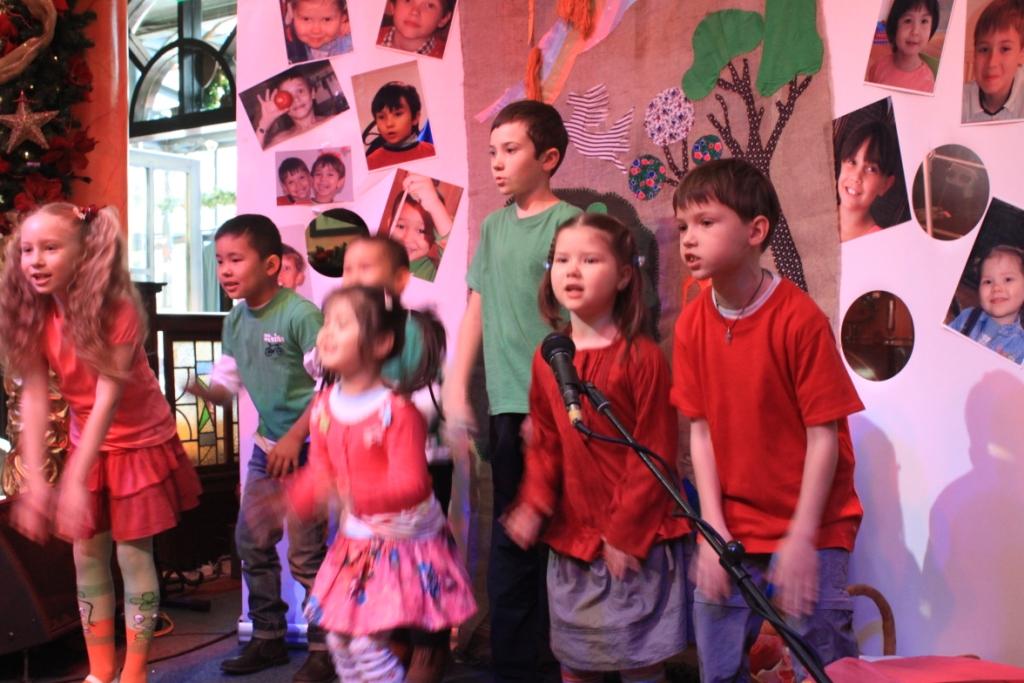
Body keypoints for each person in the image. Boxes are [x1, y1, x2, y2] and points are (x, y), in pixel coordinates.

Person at [671, 159, 864, 681]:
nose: (689, 238)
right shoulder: (691, 325)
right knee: (717, 662)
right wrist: (712, 530)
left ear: (756, 231)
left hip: (812, 523)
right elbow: (700, 432)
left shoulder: (799, 320)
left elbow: (824, 438)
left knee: (825, 664)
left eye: (706, 222)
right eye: (683, 226)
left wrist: (801, 538)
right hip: (734, 525)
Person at [2, 203, 202, 683]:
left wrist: (74, 479)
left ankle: (134, 672)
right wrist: (36, 483)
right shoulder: (36, 311)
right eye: (27, 250)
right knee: (86, 555)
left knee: (133, 555)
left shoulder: (118, 308)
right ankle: (100, 670)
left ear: (84, 252)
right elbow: (34, 396)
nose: (35, 260)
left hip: (138, 443)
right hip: (88, 439)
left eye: (50, 248)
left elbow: (108, 399)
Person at [503, 212, 690, 683]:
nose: (572, 270)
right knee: (577, 664)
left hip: (633, 541)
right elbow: (545, 442)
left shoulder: (642, 357)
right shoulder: (548, 359)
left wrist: (625, 533)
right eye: (562, 259)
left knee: (640, 662)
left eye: (589, 260)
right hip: (576, 540)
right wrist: (533, 502)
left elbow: (654, 453)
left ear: (624, 275)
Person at [443, 99, 581, 683]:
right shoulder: (494, 228)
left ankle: (573, 660)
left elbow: (582, 319)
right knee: (512, 535)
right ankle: (517, 664)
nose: (497, 163)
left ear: (547, 158)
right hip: (506, 407)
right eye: (492, 151)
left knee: (564, 534)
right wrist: (455, 386)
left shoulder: (570, 223)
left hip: (562, 409)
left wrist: (558, 402)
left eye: (510, 150)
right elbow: (476, 308)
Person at [286, 285, 476, 682]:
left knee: (365, 644)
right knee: (339, 638)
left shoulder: (398, 411)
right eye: (326, 323)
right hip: (358, 539)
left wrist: (350, 492)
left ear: (380, 343)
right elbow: (319, 470)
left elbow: (413, 485)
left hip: (403, 543)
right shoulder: (323, 407)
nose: (326, 333)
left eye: (342, 324)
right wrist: (291, 500)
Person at [187, 214, 333, 683]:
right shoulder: (235, 319)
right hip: (268, 447)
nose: (225, 270)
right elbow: (226, 387)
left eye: (236, 259)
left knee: (306, 556)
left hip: (310, 449)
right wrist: (199, 389)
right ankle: (268, 636)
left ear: (271, 265)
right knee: (251, 542)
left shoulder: (300, 315)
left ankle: (325, 647)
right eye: (219, 261)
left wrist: (295, 437)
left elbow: (331, 386)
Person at [948, 244, 1024, 363]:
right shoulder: (967, 317)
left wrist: (1007, 371)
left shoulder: (1020, 347)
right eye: (988, 281)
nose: (996, 288)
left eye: (1008, 279)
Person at [835, 121, 898, 242]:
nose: (856, 177)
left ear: (886, 185)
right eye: (852, 162)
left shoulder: (881, 243)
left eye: (871, 169)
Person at [962, 0, 1024, 123]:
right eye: (984, 49)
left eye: (1005, 49)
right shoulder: (958, 102)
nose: (992, 63)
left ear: (1021, 54)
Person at [386, 173, 453, 281]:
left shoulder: (435, 272)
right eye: (401, 226)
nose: (407, 239)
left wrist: (434, 205)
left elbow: (454, 253)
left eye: (421, 231)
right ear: (389, 224)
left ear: (435, 237)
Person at [865, 0, 939, 93]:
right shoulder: (878, 67)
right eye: (908, 20)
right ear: (895, 26)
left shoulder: (927, 82)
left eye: (924, 21)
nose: (915, 31)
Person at [363, 81, 436, 171]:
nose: (389, 124)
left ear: (415, 118)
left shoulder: (432, 152)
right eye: (381, 117)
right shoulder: (370, 162)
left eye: (397, 114)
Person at [256, 72, 328, 149]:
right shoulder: (281, 140)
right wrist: (264, 123)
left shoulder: (332, 121)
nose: (296, 99)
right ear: (281, 105)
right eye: (288, 96)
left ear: (312, 93)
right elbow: (253, 155)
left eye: (300, 91)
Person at [377, 0, 455, 58]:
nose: (414, 12)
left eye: (430, 5)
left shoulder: (448, 60)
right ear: (393, 7)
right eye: (408, 0)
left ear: (444, 19)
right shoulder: (371, 36)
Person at [284, 0, 352, 63]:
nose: (316, 31)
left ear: (343, 18)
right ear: (293, 15)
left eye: (327, 19)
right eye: (306, 19)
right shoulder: (287, 46)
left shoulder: (350, 45)